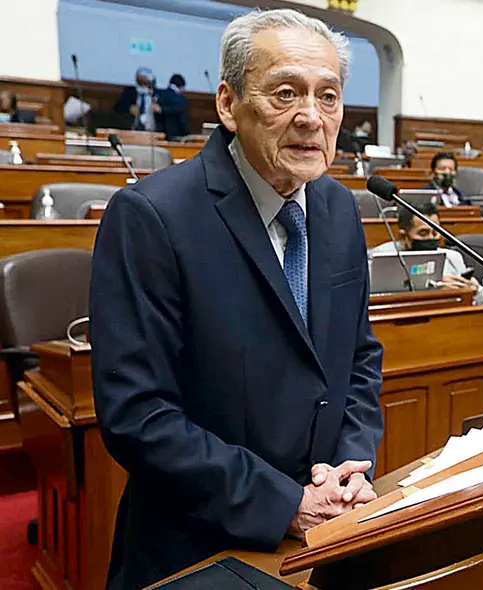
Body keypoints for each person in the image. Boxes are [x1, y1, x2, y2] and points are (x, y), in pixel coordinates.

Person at [90, 10, 384, 588]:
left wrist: (353, 459)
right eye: (285, 93)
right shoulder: (153, 216)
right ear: (228, 104)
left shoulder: (340, 210)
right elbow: (138, 416)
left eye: (329, 97)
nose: (310, 117)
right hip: (199, 546)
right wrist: (283, 502)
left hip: (325, 536)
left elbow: (359, 359)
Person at [368, 201, 477, 289]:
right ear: (403, 237)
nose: (431, 238)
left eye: (435, 232)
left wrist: (475, 289)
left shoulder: (453, 258)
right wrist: (435, 286)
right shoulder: (379, 258)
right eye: (423, 233)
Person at [113, 67, 160, 131]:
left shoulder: (157, 94)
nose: (144, 78)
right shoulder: (129, 92)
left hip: (153, 131)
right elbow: (117, 107)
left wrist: (158, 109)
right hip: (132, 129)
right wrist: (129, 108)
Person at [157, 74, 190, 141]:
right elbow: (183, 121)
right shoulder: (181, 99)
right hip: (177, 137)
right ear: (181, 87)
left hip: (160, 136)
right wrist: (188, 135)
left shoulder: (159, 96)